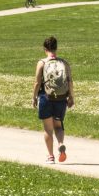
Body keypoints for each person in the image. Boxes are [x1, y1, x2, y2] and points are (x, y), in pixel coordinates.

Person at [32, 36, 74, 164]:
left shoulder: (42, 63)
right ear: (56, 48)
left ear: (45, 49)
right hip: (61, 98)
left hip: (46, 97)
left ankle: (50, 156)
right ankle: (60, 144)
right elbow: (70, 81)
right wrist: (71, 97)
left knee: (48, 129)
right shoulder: (64, 63)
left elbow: (37, 82)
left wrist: (34, 97)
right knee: (58, 126)